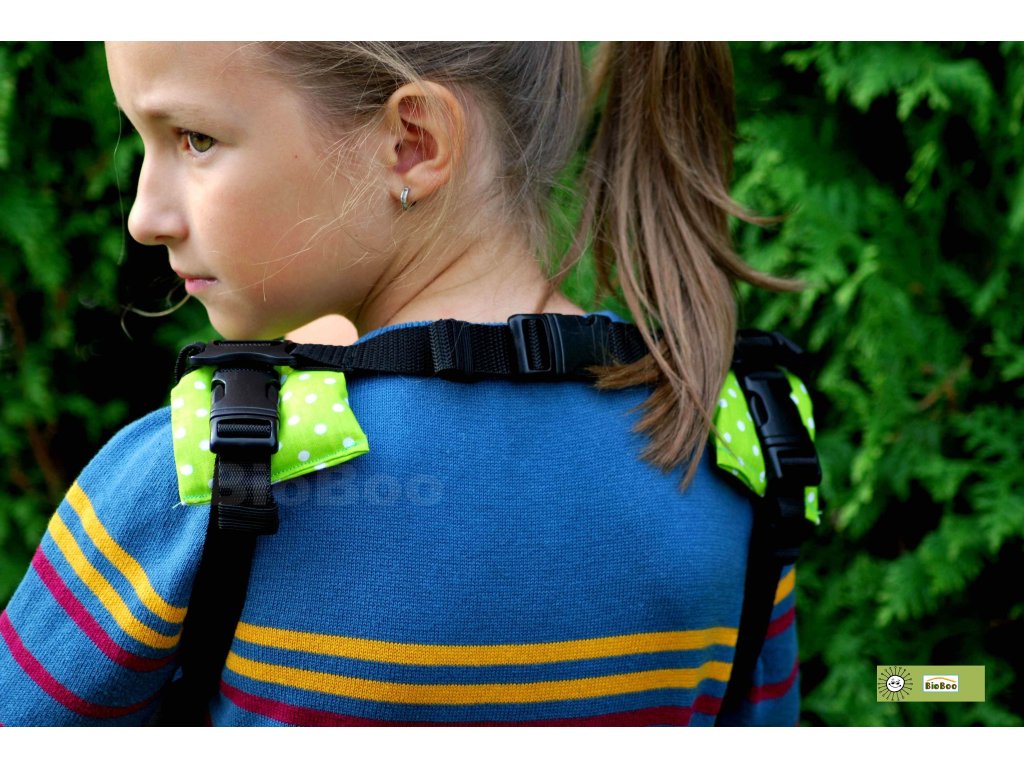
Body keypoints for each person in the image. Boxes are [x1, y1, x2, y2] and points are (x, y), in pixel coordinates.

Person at [0, 42, 803, 726]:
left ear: (411, 143)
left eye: (195, 138)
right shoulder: (740, 450)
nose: (143, 216)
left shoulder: (206, 470)